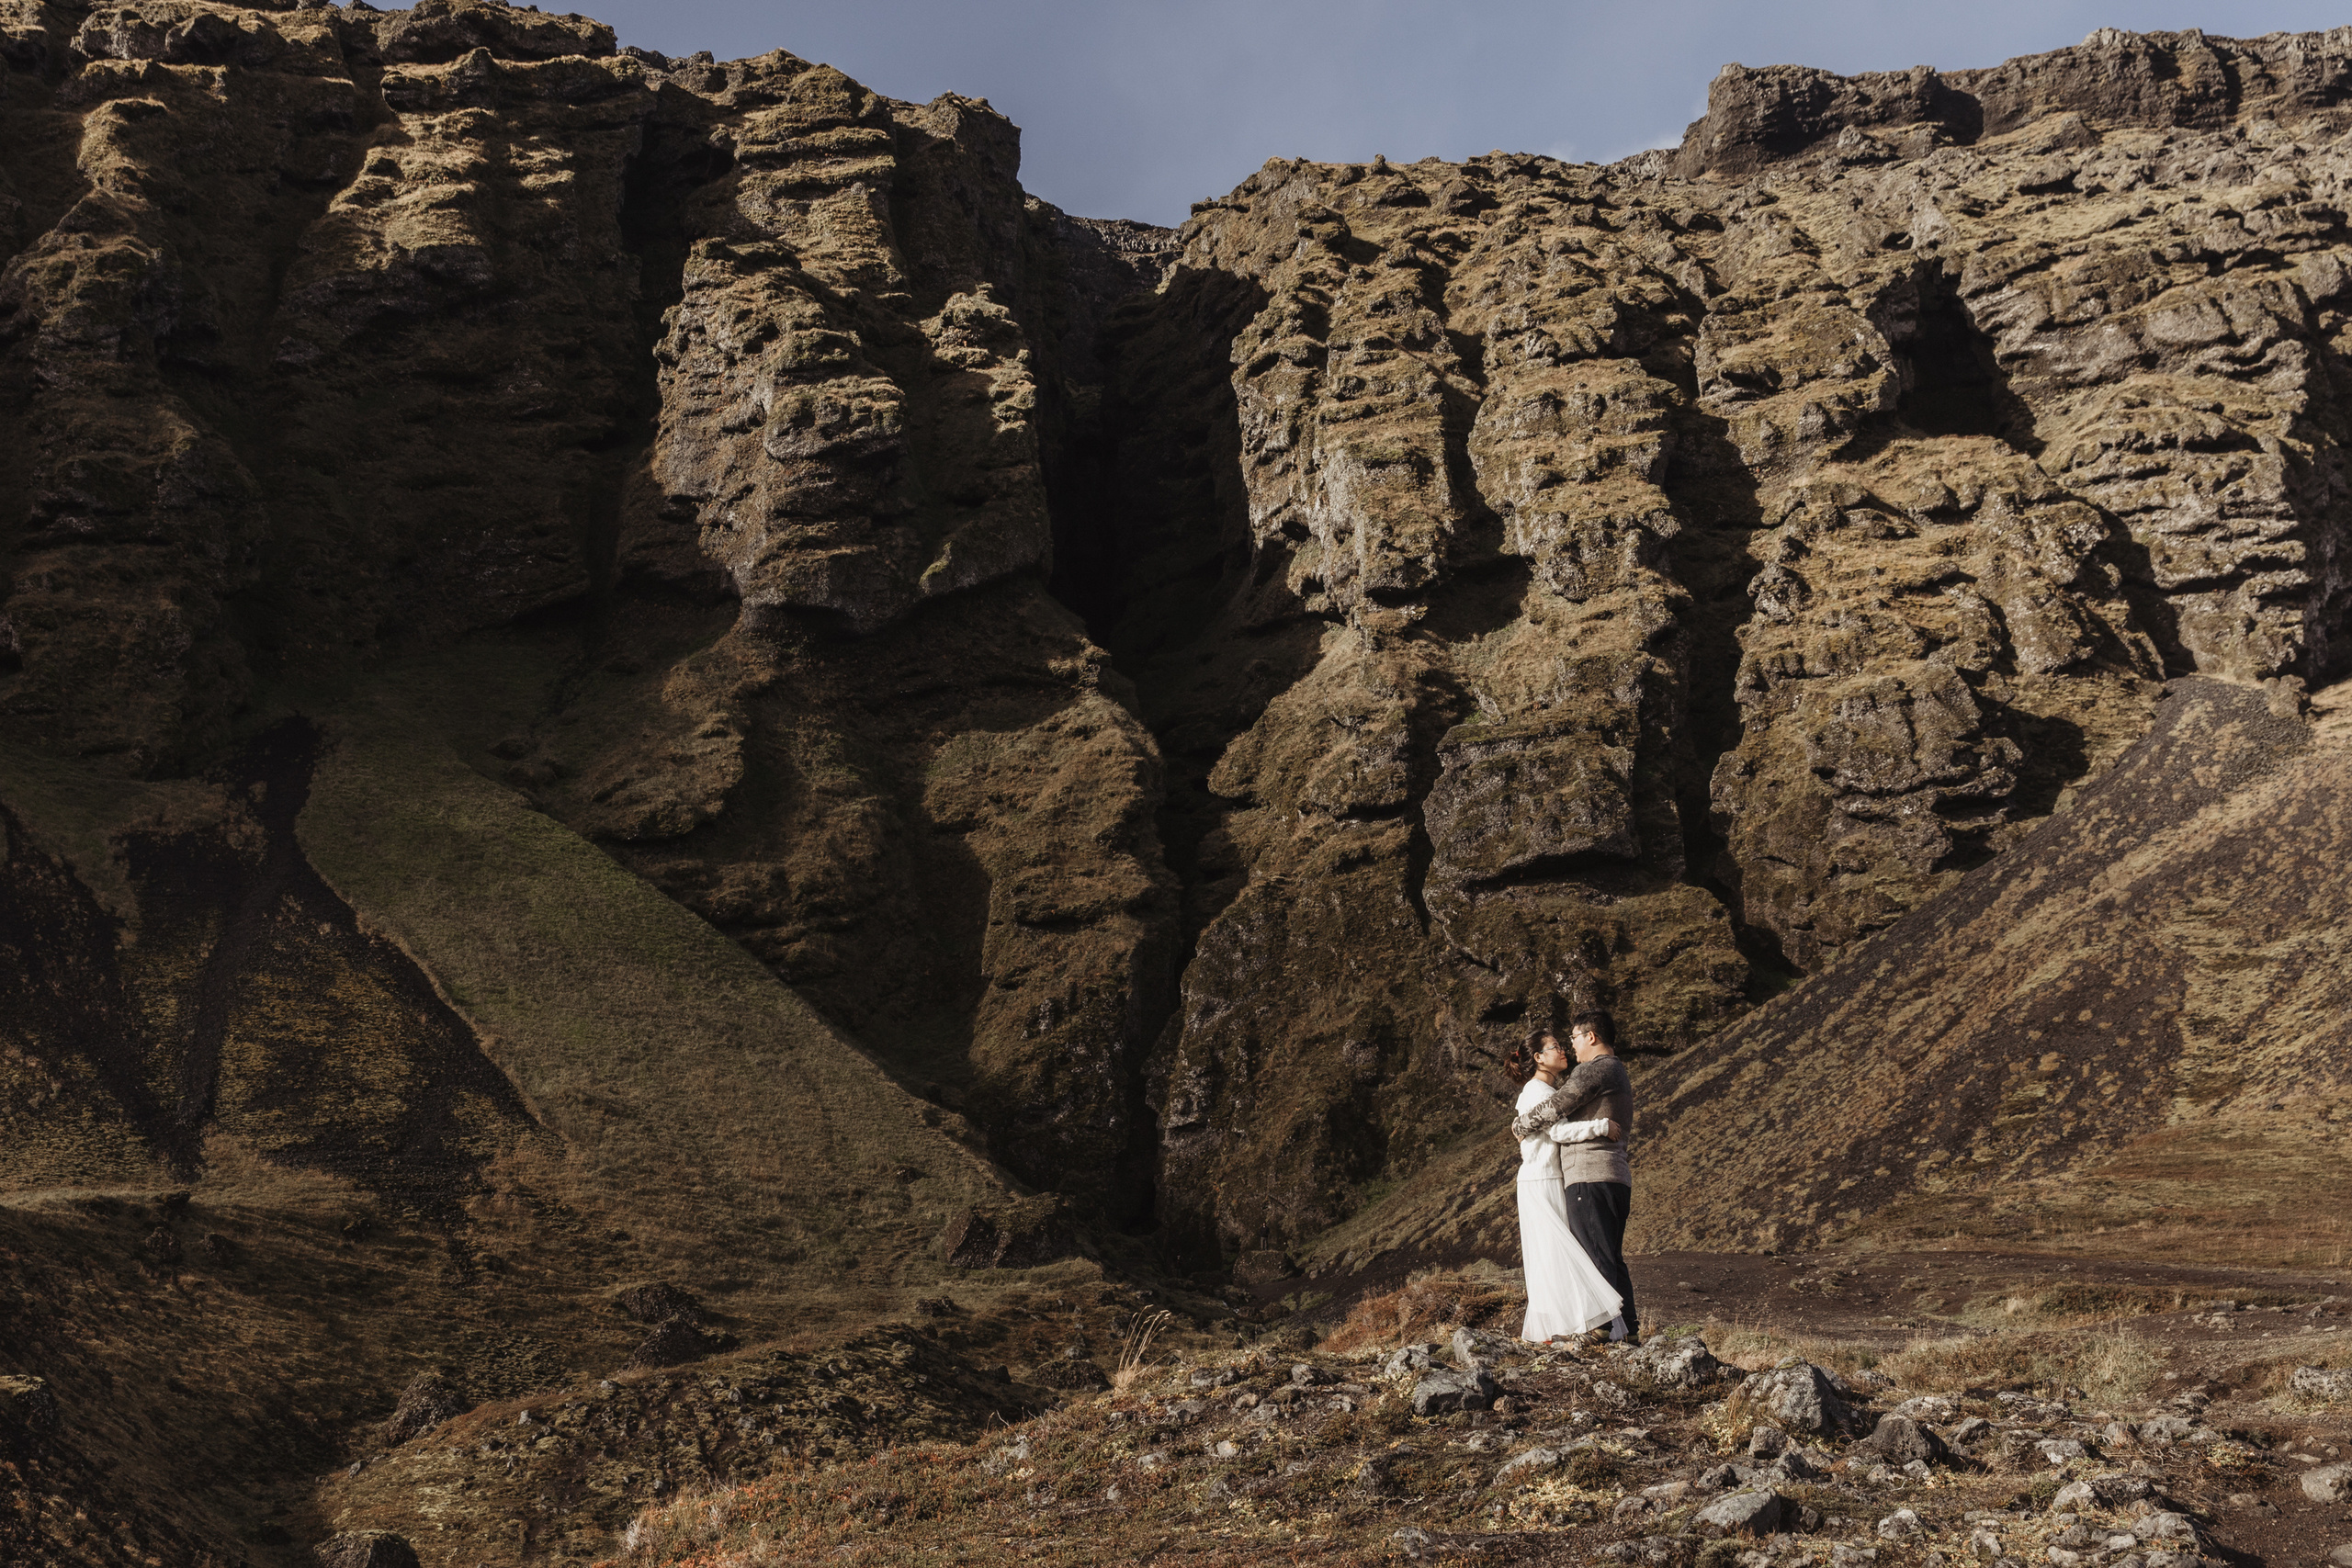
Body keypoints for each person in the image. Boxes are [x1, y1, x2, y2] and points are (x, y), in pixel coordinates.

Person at [1512, 1010, 1640, 1343]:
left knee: (1594, 1252)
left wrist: (1518, 1125)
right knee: (1610, 1253)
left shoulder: (1595, 1070)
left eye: (1573, 1038)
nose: (1570, 1046)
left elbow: (1555, 1109)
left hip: (1590, 1172)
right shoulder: (1616, 1070)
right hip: (1612, 1173)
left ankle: (1600, 1329)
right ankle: (1628, 1329)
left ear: (1592, 1037)